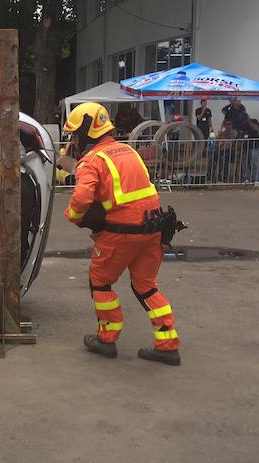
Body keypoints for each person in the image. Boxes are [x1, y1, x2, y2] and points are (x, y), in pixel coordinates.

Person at [62, 102, 181, 366]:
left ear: (85, 131)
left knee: (100, 281)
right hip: (154, 229)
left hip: (121, 233)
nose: (73, 140)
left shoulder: (92, 161)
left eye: (74, 134)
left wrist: (74, 217)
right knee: (146, 286)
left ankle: (107, 339)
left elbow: (81, 199)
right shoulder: (128, 150)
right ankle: (168, 344)